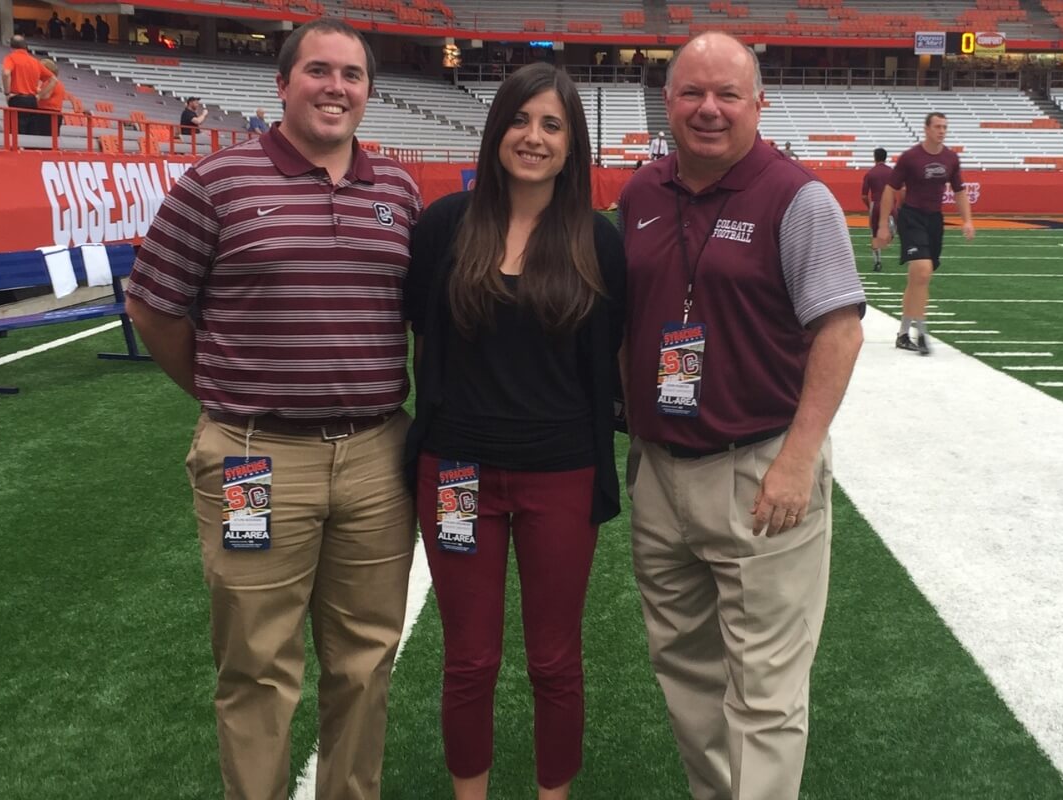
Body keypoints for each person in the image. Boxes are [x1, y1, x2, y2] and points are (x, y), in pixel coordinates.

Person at [124, 18, 421, 800]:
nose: (336, 87)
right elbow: (152, 306)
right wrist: (223, 394)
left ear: (369, 91)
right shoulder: (217, 183)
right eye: (318, 71)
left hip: (375, 457)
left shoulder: (397, 190)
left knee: (365, 661)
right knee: (256, 665)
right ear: (282, 84)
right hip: (254, 456)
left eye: (352, 75)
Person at [620, 32, 865, 800]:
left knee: (765, 691)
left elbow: (840, 331)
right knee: (687, 675)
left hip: (761, 467)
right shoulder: (640, 194)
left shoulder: (798, 198)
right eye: (693, 92)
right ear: (668, 102)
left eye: (728, 94)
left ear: (759, 103)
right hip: (661, 470)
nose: (709, 109)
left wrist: (797, 459)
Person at [403, 61, 626, 800]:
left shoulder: (597, 241)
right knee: (469, 660)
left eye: (552, 125)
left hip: (561, 476)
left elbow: (611, 357)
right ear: (497, 129)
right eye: (521, 120)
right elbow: (423, 337)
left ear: (572, 144)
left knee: (554, 661)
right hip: (457, 474)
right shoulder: (445, 226)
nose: (534, 137)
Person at [875, 111, 974, 356]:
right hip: (911, 217)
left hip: (934, 220)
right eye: (938, 126)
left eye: (945, 127)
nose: (942, 131)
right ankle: (921, 333)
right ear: (927, 129)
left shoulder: (951, 158)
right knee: (922, 270)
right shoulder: (911, 157)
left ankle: (903, 334)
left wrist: (967, 220)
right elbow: (890, 189)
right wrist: (883, 225)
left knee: (918, 279)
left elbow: (959, 191)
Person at [2, 35, 53, 137]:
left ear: (11, 46)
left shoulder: (10, 58)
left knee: (16, 133)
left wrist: (7, 93)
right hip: (32, 100)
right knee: (31, 133)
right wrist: (40, 96)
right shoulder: (35, 61)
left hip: (17, 99)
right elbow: (53, 79)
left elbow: (6, 73)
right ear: (25, 46)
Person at [861, 147, 895, 272]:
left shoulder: (870, 173)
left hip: (875, 204)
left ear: (875, 157)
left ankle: (877, 261)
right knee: (893, 228)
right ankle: (889, 236)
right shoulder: (892, 172)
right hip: (889, 204)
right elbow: (900, 188)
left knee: (874, 234)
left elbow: (864, 196)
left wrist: (869, 206)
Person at [36, 58, 64, 140]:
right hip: (51, 113)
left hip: (48, 114)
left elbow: (45, 96)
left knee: (45, 140)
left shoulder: (50, 82)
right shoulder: (55, 82)